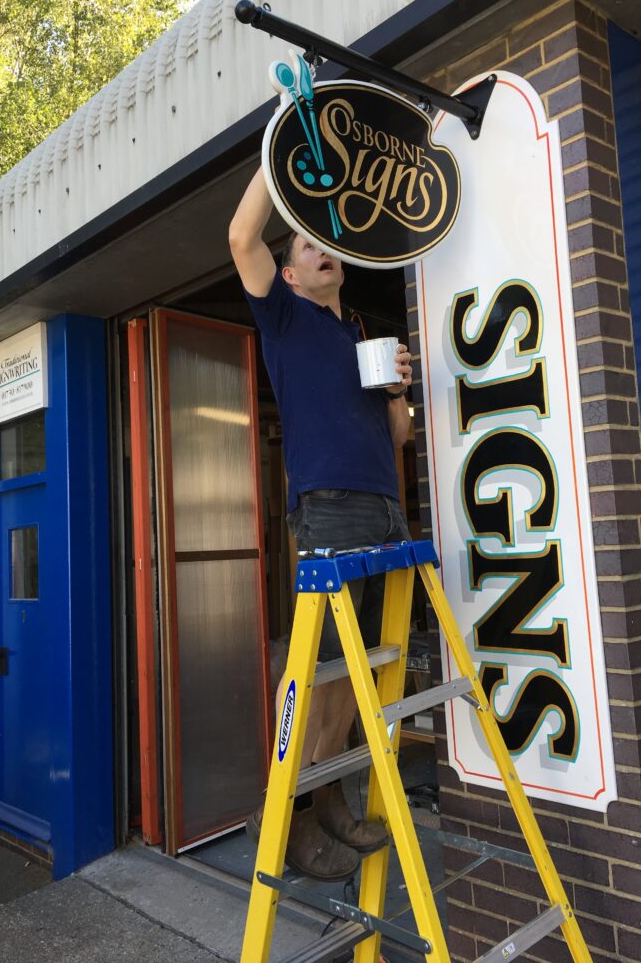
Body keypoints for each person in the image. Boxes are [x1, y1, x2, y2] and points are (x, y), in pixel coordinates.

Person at [228, 166, 413, 882]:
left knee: (352, 664)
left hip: (384, 507)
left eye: (326, 243)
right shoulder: (283, 315)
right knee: (315, 663)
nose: (321, 248)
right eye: (305, 245)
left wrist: (398, 388)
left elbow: (397, 434)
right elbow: (241, 233)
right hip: (331, 505)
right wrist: (280, 158)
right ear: (290, 275)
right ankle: (281, 805)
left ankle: (328, 790)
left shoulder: (357, 333)